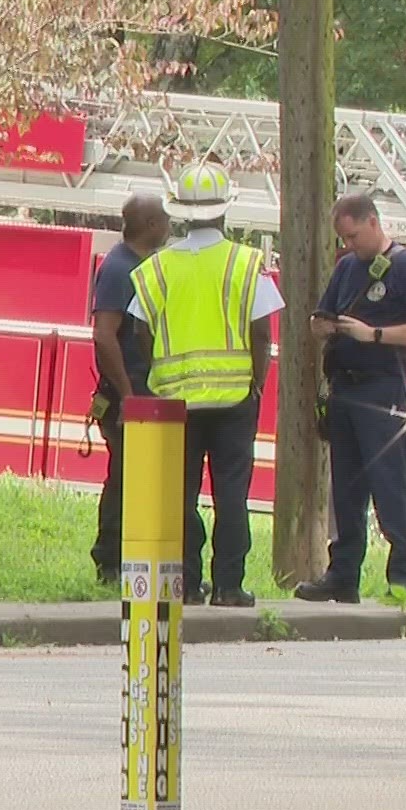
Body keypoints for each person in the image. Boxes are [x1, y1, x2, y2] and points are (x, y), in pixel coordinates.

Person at [126, 162, 284, 607]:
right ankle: (230, 587)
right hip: (235, 399)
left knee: (181, 494)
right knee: (231, 494)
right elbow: (262, 333)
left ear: (178, 213)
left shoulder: (158, 268)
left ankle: (187, 585)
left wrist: (159, 371)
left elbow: (139, 327)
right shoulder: (245, 262)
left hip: (175, 400)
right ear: (224, 213)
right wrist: (257, 384)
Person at [295, 193, 406, 604]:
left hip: (383, 389)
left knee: (389, 485)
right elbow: (321, 316)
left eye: (354, 235)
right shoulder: (346, 269)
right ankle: (342, 576)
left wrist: (373, 334)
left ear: (373, 222)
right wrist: (323, 328)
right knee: (346, 489)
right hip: (344, 389)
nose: (350, 244)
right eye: (344, 237)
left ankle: (402, 579)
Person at [87, 193, 172, 585]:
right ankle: (110, 562)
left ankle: (133, 559)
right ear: (152, 226)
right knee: (124, 479)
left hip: (143, 392)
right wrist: (127, 395)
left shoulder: (142, 265)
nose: (170, 224)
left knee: (142, 480)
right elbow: (105, 336)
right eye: (164, 219)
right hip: (129, 395)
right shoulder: (121, 268)